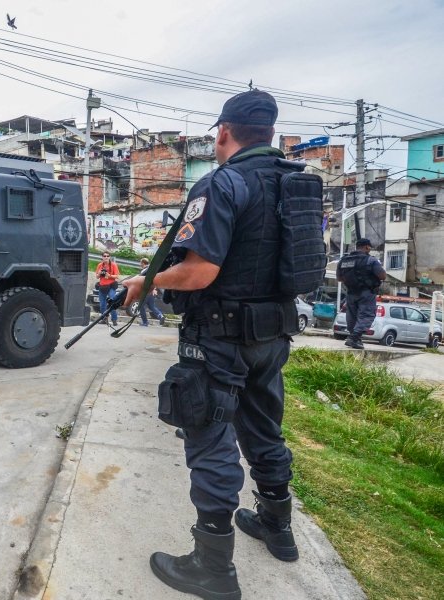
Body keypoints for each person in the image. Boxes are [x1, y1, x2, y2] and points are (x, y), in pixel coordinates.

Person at [123, 90, 319, 600]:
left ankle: (212, 567)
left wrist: (148, 282)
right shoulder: (294, 185)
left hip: (220, 337)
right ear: (269, 133)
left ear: (224, 132)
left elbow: (199, 271)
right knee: (264, 431)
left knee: (209, 439)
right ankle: (278, 529)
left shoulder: (223, 183)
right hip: (272, 335)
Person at [336, 238, 386, 349]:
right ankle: (354, 338)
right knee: (366, 315)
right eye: (369, 247)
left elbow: (339, 278)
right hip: (366, 293)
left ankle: (354, 338)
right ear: (367, 247)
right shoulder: (370, 260)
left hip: (351, 293)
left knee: (352, 316)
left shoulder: (343, 260)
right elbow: (382, 276)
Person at [138, 257, 166, 327]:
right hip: (152, 291)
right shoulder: (152, 270)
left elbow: (143, 282)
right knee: (152, 306)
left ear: (143, 263)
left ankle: (145, 322)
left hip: (146, 291)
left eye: (140, 263)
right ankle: (160, 315)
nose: (139, 264)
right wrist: (154, 288)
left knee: (141, 306)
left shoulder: (144, 271)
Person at [95, 251, 121, 326]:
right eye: (104, 256)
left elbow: (117, 276)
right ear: (102, 257)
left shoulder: (113, 265)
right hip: (102, 286)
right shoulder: (100, 265)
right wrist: (99, 273)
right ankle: (104, 319)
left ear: (109, 257)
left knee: (112, 302)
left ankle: (114, 319)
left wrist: (109, 275)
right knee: (102, 304)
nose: (106, 257)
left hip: (111, 286)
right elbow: (97, 276)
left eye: (107, 256)